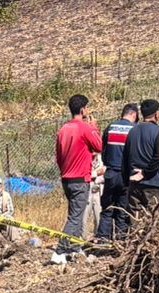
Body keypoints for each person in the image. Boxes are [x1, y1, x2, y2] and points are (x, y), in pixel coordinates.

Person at [53, 92, 102, 264]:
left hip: (66, 178)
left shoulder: (63, 129)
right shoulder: (85, 127)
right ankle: (59, 251)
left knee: (74, 213)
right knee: (75, 217)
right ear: (83, 110)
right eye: (87, 108)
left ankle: (74, 248)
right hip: (80, 179)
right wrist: (94, 127)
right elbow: (99, 146)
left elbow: (58, 157)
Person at [97, 102, 139, 241]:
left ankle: (103, 238)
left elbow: (103, 151)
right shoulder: (134, 130)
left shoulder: (111, 127)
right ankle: (120, 239)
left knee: (107, 208)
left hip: (110, 172)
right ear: (133, 114)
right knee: (123, 209)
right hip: (126, 175)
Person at [124, 99, 159, 216]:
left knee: (135, 221)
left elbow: (125, 158)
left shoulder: (132, 131)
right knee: (155, 222)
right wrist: (145, 173)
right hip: (154, 184)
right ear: (156, 114)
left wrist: (127, 179)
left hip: (134, 184)